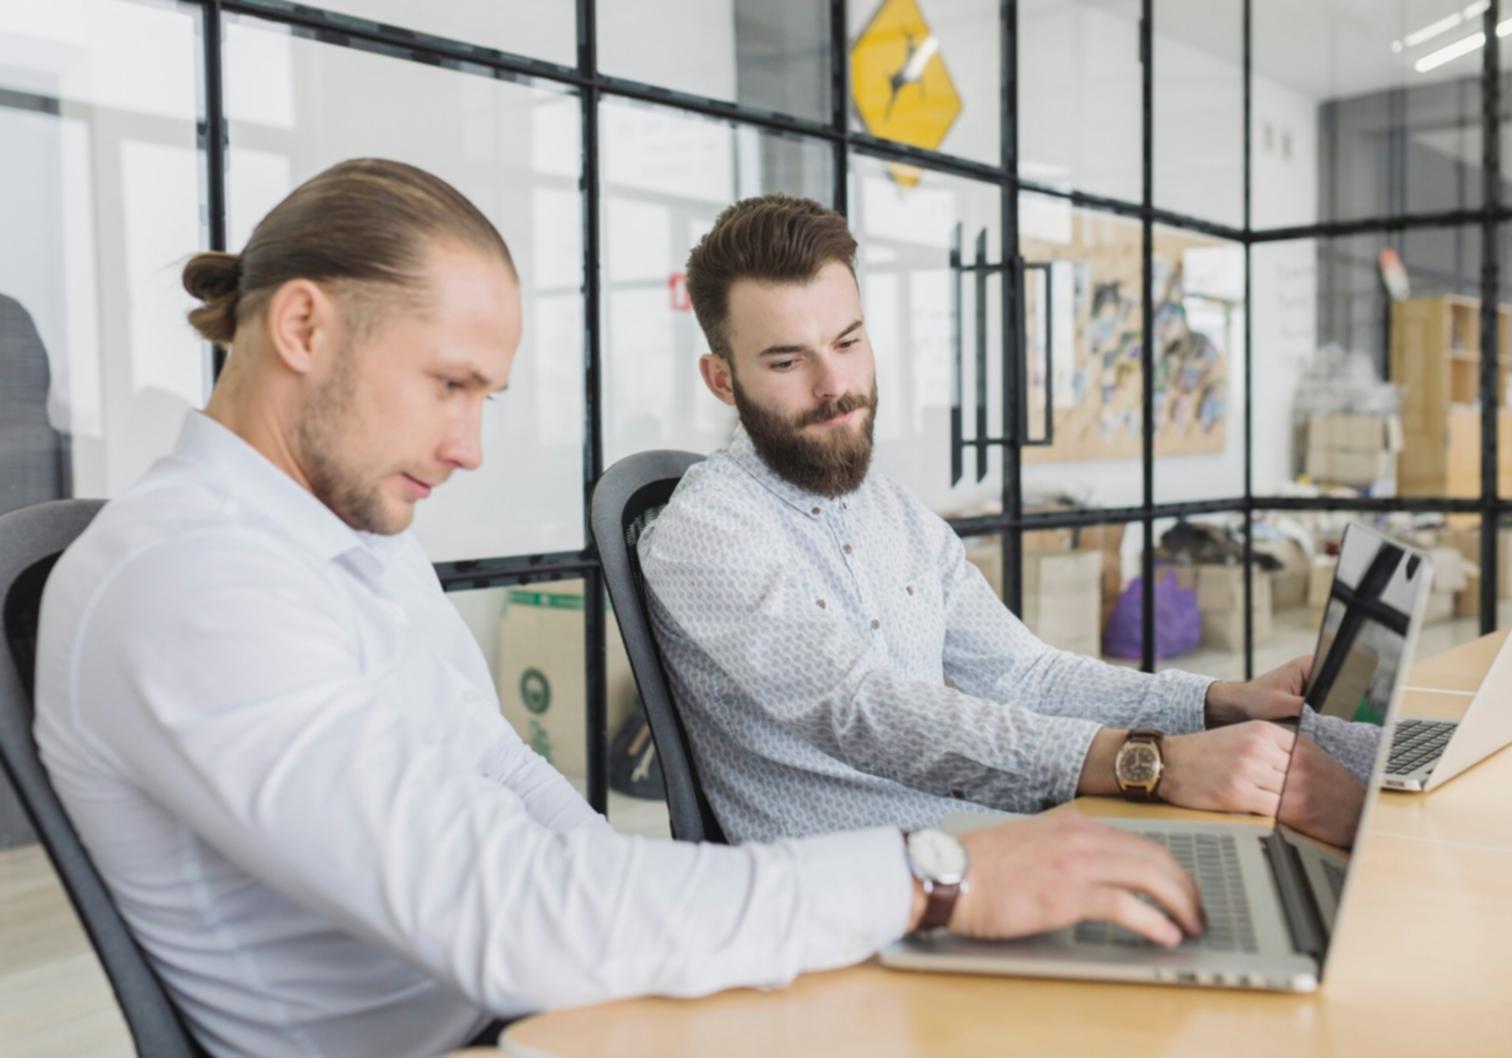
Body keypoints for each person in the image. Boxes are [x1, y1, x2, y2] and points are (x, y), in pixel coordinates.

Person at [33, 160, 1207, 1058]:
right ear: (301, 327)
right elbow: (501, 909)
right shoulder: (189, 580)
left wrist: (636, 918)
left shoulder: (337, 535)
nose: (471, 445)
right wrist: (936, 874)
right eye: (450, 384)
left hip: (544, 1012)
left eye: (486, 396)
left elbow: (507, 784)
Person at [638, 194, 1375, 848]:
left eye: (848, 343)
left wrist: (1214, 703)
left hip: (991, 843)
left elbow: (1025, 674)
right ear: (722, 381)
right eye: (787, 362)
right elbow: (864, 710)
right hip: (869, 900)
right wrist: (1149, 761)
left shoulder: (893, 512)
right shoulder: (706, 529)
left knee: (1343, 777)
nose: (837, 388)